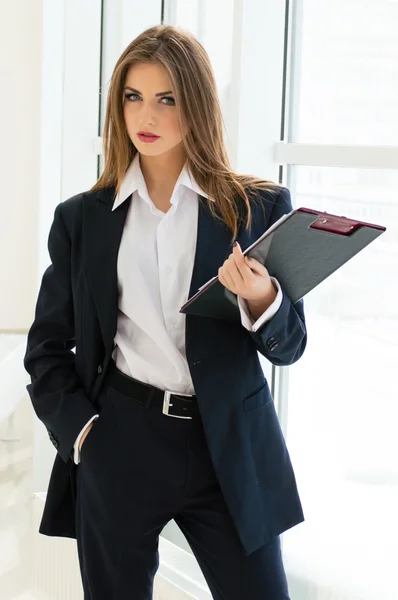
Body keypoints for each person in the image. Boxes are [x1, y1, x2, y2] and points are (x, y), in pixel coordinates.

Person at [24, 24, 307, 600]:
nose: (145, 114)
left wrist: (260, 299)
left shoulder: (257, 208)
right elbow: (46, 349)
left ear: (196, 104)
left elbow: (291, 345)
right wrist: (84, 436)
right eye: (133, 96)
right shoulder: (83, 219)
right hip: (121, 438)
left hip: (228, 441)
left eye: (166, 98)